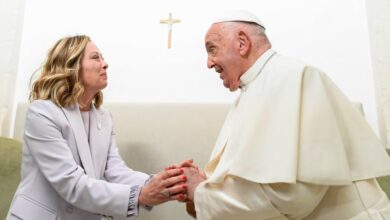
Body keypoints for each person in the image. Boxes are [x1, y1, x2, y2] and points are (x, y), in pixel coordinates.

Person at [182, 10, 390, 220]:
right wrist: (203, 187)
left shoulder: (291, 77)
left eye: (212, 50)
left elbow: (291, 197)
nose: (209, 63)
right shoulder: (251, 91)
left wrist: (201, 193)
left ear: (242, 43)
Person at [6, 35, 189, 220]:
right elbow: (71, 183)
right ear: (72, 65)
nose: (105, 63)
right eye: (96, 57)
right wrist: (140, 195)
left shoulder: (104, 117)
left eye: (102, 57)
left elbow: (114, 171)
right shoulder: (42, 112)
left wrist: (165, 182)